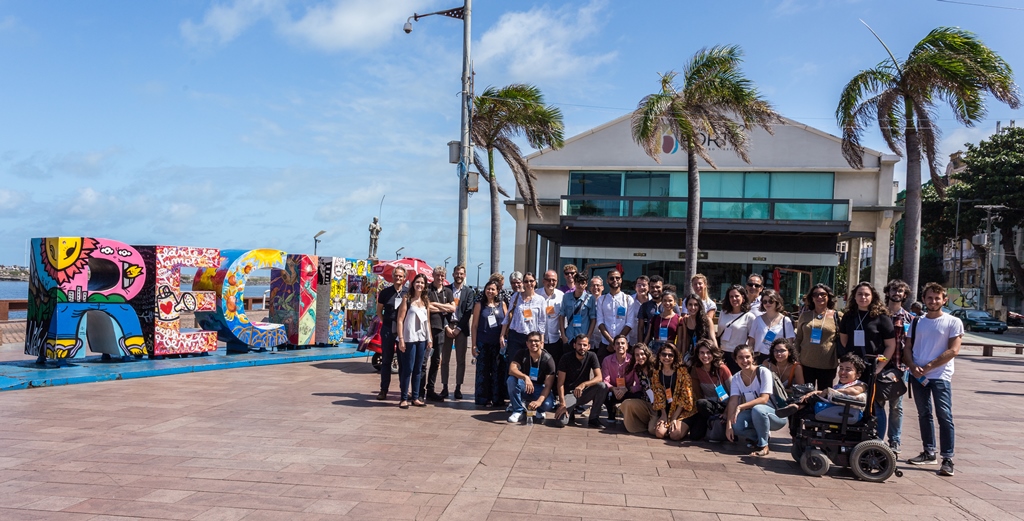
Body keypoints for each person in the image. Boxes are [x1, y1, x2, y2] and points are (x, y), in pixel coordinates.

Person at [905, 282, 963, 477]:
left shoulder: (953, 322)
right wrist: (913, 367)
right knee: (924, 414)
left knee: (944, 415)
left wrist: (928, 367)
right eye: (930, 298)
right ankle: (929, 451)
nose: (933, 301)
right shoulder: (916, 321)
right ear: (924, 299)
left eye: (937, 298)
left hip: (940, 375)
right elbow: (907, 347)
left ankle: (948, 458)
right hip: (918, 375)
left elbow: (953, 350)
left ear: (944, 300)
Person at [839, 281, 896, 437]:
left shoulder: (882, 317)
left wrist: (880, 367)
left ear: (873, 296)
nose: (863, 297)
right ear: (854, 297)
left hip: (874, 368)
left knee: (875, 406)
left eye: (866, 294)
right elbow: (844, 340)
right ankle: (856, 436)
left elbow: (890, 345)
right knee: (853, 402)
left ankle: (878, 440)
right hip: (854, 369)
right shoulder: (848, 316)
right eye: (860, 294)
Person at [725, 346, 787, 456]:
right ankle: (760, 436)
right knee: (737, 424)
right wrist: (728, 426)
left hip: (776, 415)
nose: (744, 361)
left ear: (753, 358)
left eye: (747, 357)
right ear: (736, 360)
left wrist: (740, 407)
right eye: (740, 358)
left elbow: (764, 399)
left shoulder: (763, 372)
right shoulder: (736, 378)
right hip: (754, 413)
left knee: (757, 409)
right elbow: (733, 401)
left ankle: (763, 445)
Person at [776, 353, 868, 419]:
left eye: (848, 370)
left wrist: (830, 391)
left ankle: (796, 406)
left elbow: (854, 391)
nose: (842, 372)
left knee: (808, 401)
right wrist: (816, 392)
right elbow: (826, 392)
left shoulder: (860, 384)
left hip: (843, 411)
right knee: (805, 390)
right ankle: (793, 405)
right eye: (841, 368)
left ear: (858, 374)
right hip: (833, 406)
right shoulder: (840, 385)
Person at [884, 278, 915, 454]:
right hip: (880, 366)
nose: (897, 293)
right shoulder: (879, 315)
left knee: (896, 406)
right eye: (894, 290)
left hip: (899, 368)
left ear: (905, 295)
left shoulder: (909, 318)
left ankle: (894, 441)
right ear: (888, 292)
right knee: (877, 405)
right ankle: (876, 438)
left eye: (900, 291)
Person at [553, 335, 608, 428]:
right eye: (579, 344)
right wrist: (562, 403)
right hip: (569, 394)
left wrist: (584, 384)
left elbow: (599, 377)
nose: (582, 347)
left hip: (583, 392)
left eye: (584, 345)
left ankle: (593, 418)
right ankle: (570, 412)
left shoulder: (592, 356)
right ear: (574, 345)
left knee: (602, 386)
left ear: (589, 346)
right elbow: (560, 383)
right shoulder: (565, 358)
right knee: (560, 422)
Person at [795, 283, 842, 391]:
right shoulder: (805, 315)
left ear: (828, 296)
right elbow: (798, 339)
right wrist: (796, 358)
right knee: (805, 396)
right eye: (815, 294)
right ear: (811, 298)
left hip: (827, 364)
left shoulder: (837, 316)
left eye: (822, 294)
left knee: (824, 397)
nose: (819, 297)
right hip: (806, 363)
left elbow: (842, 338)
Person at [396, 274, 432, 408]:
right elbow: (400, 320)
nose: (420, 285)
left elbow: (427, 321)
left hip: (421, 339)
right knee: (407, 368)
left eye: (422, 283)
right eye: (417, 282)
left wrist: (430, 338)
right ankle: (404, 398)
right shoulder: (407, 299)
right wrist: (401, 339)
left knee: (418, 369)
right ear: (413, 283)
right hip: (409, 338)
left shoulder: (425, 301)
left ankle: (416, 397)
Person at [650, 342, 697, 441]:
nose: (666, 357)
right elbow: (658, 395)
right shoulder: (656, 373)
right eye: (664, 354)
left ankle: (687, 425)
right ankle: (668, 427)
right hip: (666, 408)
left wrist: (674, 418)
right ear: (659, 355)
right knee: (659, 433)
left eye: (670, 355)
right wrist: (664, 416)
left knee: (675, 435)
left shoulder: (682, 371)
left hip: (682, 410)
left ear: (675, 356)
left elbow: (686, 396)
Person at [506, 331, 557, 423]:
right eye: (530, 341)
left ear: (541, 343)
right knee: (511, 380)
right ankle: (518, 410)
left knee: (548, 404)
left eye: (536, 341)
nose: (533, 343)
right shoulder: (521, 353)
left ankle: (539, 409)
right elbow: (512, 370)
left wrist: (539, 402)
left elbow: (548, 385)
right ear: (527, 343)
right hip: (525, 385)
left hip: (539, 388)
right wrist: (525, 377)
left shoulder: (548, 360)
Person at [471, 281, 507, 408]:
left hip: (497, 344)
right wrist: (474, 345)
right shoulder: (479, 305)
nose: (490, 291)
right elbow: (474, 326)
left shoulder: (502, 304)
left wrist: (503, 336)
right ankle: (483, 398)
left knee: (497, 371)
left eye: (493, 289)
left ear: (497, 291)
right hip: (483, 342)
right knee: (483, 372)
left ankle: (497, 398)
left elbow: (506, 322)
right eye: (488, 289)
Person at [423, 266, 456, 402]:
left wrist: (436, 305)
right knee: (424, 361)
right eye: (438, 275)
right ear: (433, 275)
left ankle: (430, 389)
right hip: (428, 329)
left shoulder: (448, 291)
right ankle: (419, 390)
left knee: (436, 361)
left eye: (442, 276)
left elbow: (453, 308)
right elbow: (426, 306)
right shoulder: (428, 289)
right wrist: (443, 307)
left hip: (441, 330)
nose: (440, 278)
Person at [689, 339, 732, 441]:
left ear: (713, 354)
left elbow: (734, 393)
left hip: (724, 405)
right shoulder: (697, 369)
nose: (705, 356)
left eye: (708, 353)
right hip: (707, 406)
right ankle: (711, 423)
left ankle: (720, 423)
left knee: (702, 403)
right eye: (702, 353)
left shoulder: (722, 369)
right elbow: (696, 392)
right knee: (694, 435)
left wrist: (726, 412)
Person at [442, 265, 474, 401]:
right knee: (445, 360)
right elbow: (441, 310)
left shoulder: (469, 292)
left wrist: (458, 329)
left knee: (461, 360)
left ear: (464, 275)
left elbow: (468, 311)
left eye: (461, 274)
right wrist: (446, 327)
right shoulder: (446, 290)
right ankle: (444, 387)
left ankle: (458, 388)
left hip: (461, 328)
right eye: (457, 273)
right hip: (447, 327)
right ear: (453, 274)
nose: (459, 276)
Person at [375, 266, 407, 401]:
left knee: (403, 361)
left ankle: (403, 391)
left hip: (402, 331)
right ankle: (383, 390)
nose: (398, 278)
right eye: (396, 275)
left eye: (400, 276)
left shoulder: (407, 293)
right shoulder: (385, 292)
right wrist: (385, 323)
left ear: (404, 278)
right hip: (388, 329)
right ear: (392, 277)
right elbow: (379, 311)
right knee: (386, 360)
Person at [500, 272, 545, 361]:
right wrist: (502, 335)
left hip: (532, 337)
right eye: (526, 281)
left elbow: (542, 322)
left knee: (529, 363)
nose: (529, 283)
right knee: (513, 364)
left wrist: (541, 342)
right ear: (523, 283)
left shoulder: (540, 300)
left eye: (531, 281)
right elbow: (508, 316)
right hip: (515, 336)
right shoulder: (516, 296)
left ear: (535, 282)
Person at [747, 289, 795, 364]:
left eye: (771, 301)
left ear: (777, 302)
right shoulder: (757, 320)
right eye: (765, 301)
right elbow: (751, 342)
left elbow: (789, 344)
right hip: (759, 358)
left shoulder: (786, 321)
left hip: (778, 359)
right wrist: (751, 357)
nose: (767, 304)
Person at [596, 269, 634, 361]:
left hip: (623, 345)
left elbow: (629, 324)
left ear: (621, 280)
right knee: (604, 372)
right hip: (606, 344)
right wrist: (611, 342)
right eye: (612, 278)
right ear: (607, 281)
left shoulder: (628, 299)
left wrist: (616, 342)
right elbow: (600, 323)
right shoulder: (602, 299)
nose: (615, 280)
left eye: (617, 278)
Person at [619, 342, 655, 434]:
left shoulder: (655, 367)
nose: (640, 357)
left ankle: (655, 423)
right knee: (626, 404)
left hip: (659, 405)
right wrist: (628, 389)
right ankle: (644, 424)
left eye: (642, 354)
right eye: (637, 355)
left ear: (647, 354)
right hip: (646, 403)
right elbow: (640, 386)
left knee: (653, 430)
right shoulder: (638, 369)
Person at [718, 284, 755, 374]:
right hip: (722, 354)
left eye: (736, 296)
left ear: (743, 297)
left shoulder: (749, 317)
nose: (734, 299)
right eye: (731, 297)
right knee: (722, 381)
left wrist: (748, 357)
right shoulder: (723, 313)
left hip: (738, 355)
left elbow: (751, 339)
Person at [559, 273, 596, 354]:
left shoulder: (590, 298)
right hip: (569, 337)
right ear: (574, 283)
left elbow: (593, 319)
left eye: (583, 283)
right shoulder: (566, 297)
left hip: (582, 338)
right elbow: (561, 315)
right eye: (578, 282)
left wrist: (588, 337)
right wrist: (563, 335)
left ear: (586, 284)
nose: (580, 285)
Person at [601, 335, 632, 421]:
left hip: (627, 390)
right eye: (617, 344)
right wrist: (614, 389)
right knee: (602, 389)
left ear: (627, 346)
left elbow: (637, 382)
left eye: (623, 343)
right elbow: (605, 381)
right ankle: (611, 413)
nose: (620, 345)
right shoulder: (607, 360)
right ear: (614, 347)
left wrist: (626, 389)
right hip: (613, 390)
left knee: (638, 393)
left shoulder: (633, 360)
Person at [679, 293, 717, 363]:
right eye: (690, 305)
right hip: (692, 352)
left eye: (696, 305)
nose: (693, 307)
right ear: (686, 306)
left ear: (699, 306)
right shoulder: (685, 320)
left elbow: (713, 339)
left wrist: (716, 356)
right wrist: (683, 356)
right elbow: (685, 340)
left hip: (705, 353)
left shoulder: (707, 320)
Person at [538, 270, 565, 364]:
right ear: (543, 281)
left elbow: (563, 316)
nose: (551, 282)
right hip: (539, 340)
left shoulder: (561, 296)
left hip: (556, 339)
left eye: (554, 280)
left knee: (554, 366)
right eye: (548, 280)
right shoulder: (536, 295)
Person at [637, 275, 664, 342]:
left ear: (662, 287)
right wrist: (641, 346)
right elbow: (640, 328)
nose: (655, 290)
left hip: (667, 343)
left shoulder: (670, 305)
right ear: (649, 288)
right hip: (649, 344)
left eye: (658, 287)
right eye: (652, 287)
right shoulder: (645, 306)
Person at [628, 275, 650, 343]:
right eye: (639, 285)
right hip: (630, 340)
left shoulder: (653, 302)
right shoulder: (628, 301)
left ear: (649, 287)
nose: (641, 287)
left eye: (644, 285)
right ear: (635, 287)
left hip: (649, 341)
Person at [588, 275, 605, 348]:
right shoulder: (585, 302)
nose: (595, 288)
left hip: (603, 339)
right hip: (588, 340)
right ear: (590, 288)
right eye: (593, 285)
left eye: (598, 285)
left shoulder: (607, 302)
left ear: (602, 287)